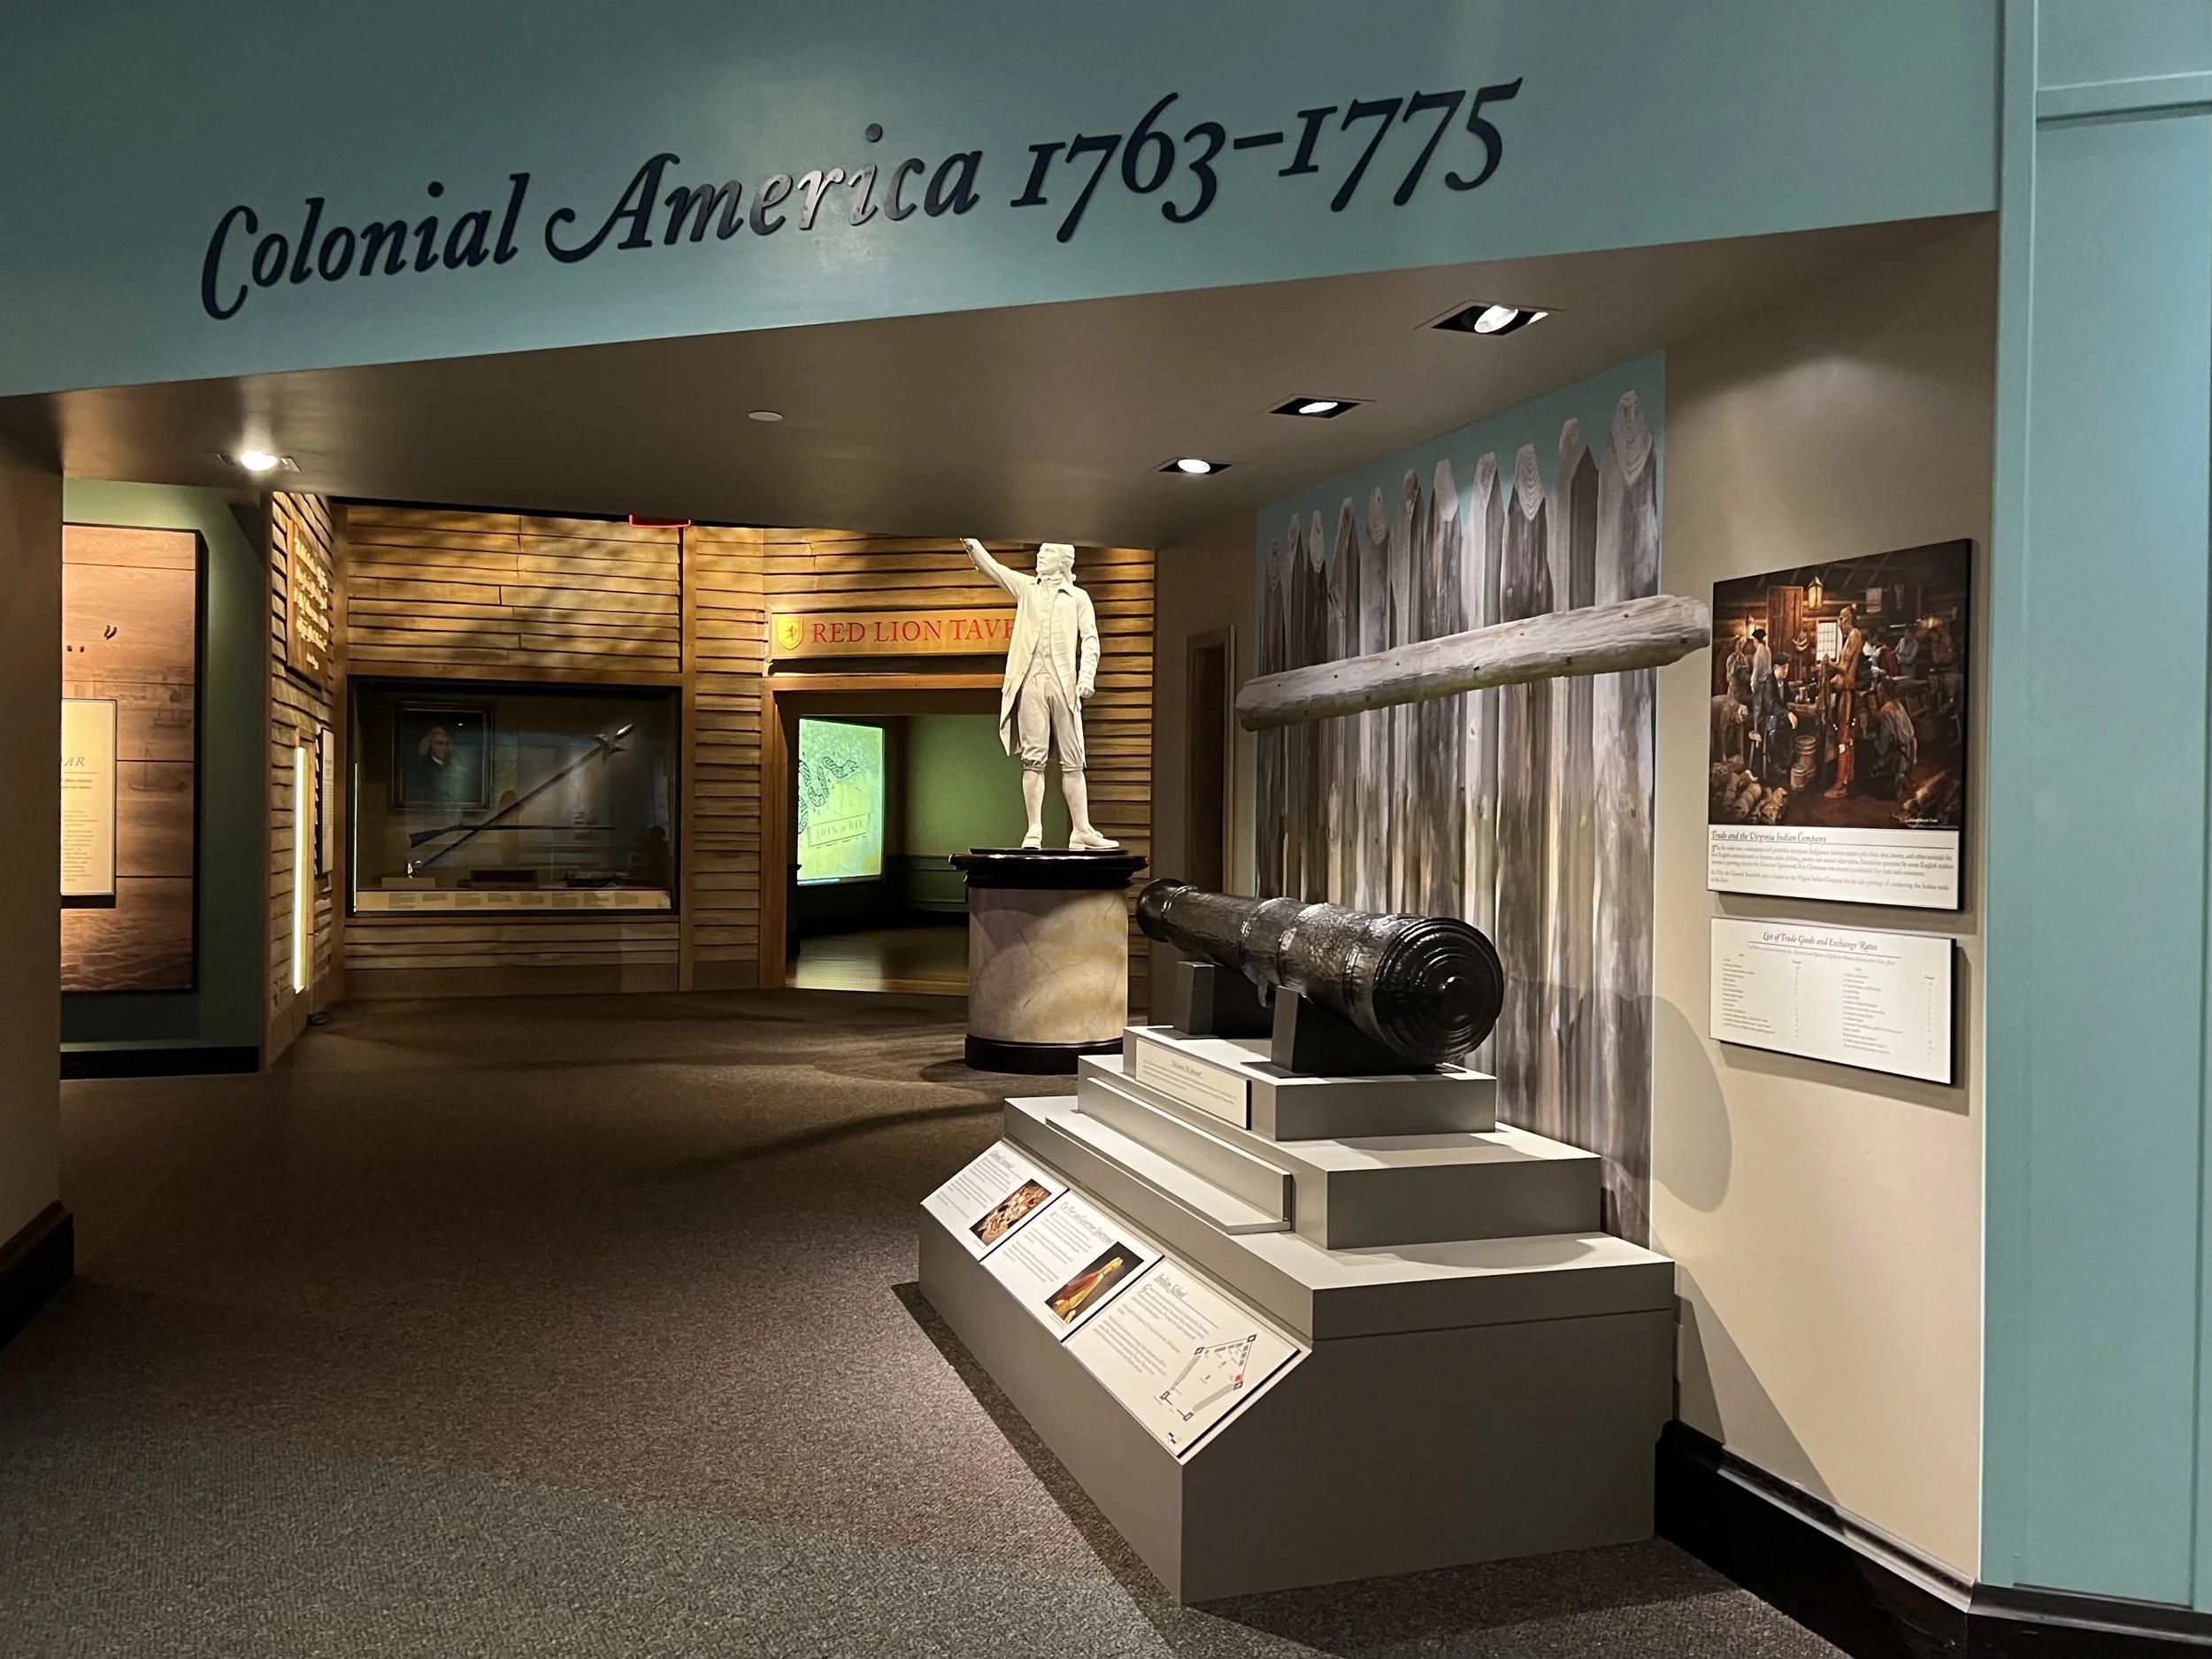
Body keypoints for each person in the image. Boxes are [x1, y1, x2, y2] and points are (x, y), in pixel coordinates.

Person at [961, 536, 1120, 851]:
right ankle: (1034, 829)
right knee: (1033, 760)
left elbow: (1090, 640)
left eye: (1045, 553)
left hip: (1064, 683)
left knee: (1074, 760)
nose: (1039, 556)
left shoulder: (1078, 598)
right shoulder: (1026, 589)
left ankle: (1082, 829)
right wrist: (971, 541)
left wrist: (1086, 676)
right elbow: (991, 567)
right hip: (1030, 681)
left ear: (1062, 561)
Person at [1824, 603, 1865, 798]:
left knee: (1843, 737)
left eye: (1841, 618)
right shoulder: (1848, 637)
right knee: (1844, 737)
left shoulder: (1855, 635)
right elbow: (1841, 671)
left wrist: (1829, 664)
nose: (1839, 622)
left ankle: (1840, 784)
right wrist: (1827, 679)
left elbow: (1845, 669)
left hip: (1848, 693)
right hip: (1843, 690)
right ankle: (1847, 776)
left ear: (1849, 619)